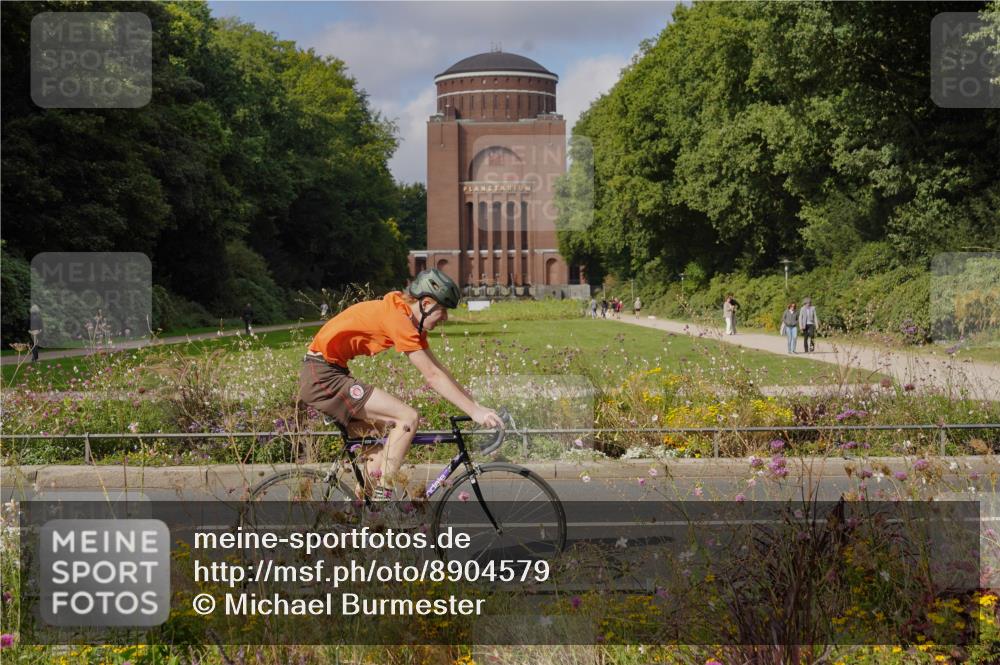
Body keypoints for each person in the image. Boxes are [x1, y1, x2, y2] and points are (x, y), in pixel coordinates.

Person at [297, 269, 503, 501]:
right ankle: (384, 496)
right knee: (407, 418)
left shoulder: (406, 317)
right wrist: (474, 412)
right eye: (443, 310)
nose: (445, 317)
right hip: (321, 376)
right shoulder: (398, 318)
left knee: (377, 457)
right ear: (426, 303)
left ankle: (362, 516)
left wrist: (476, 406)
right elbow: (432, 376)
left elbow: (441, 370)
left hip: (329, 372)